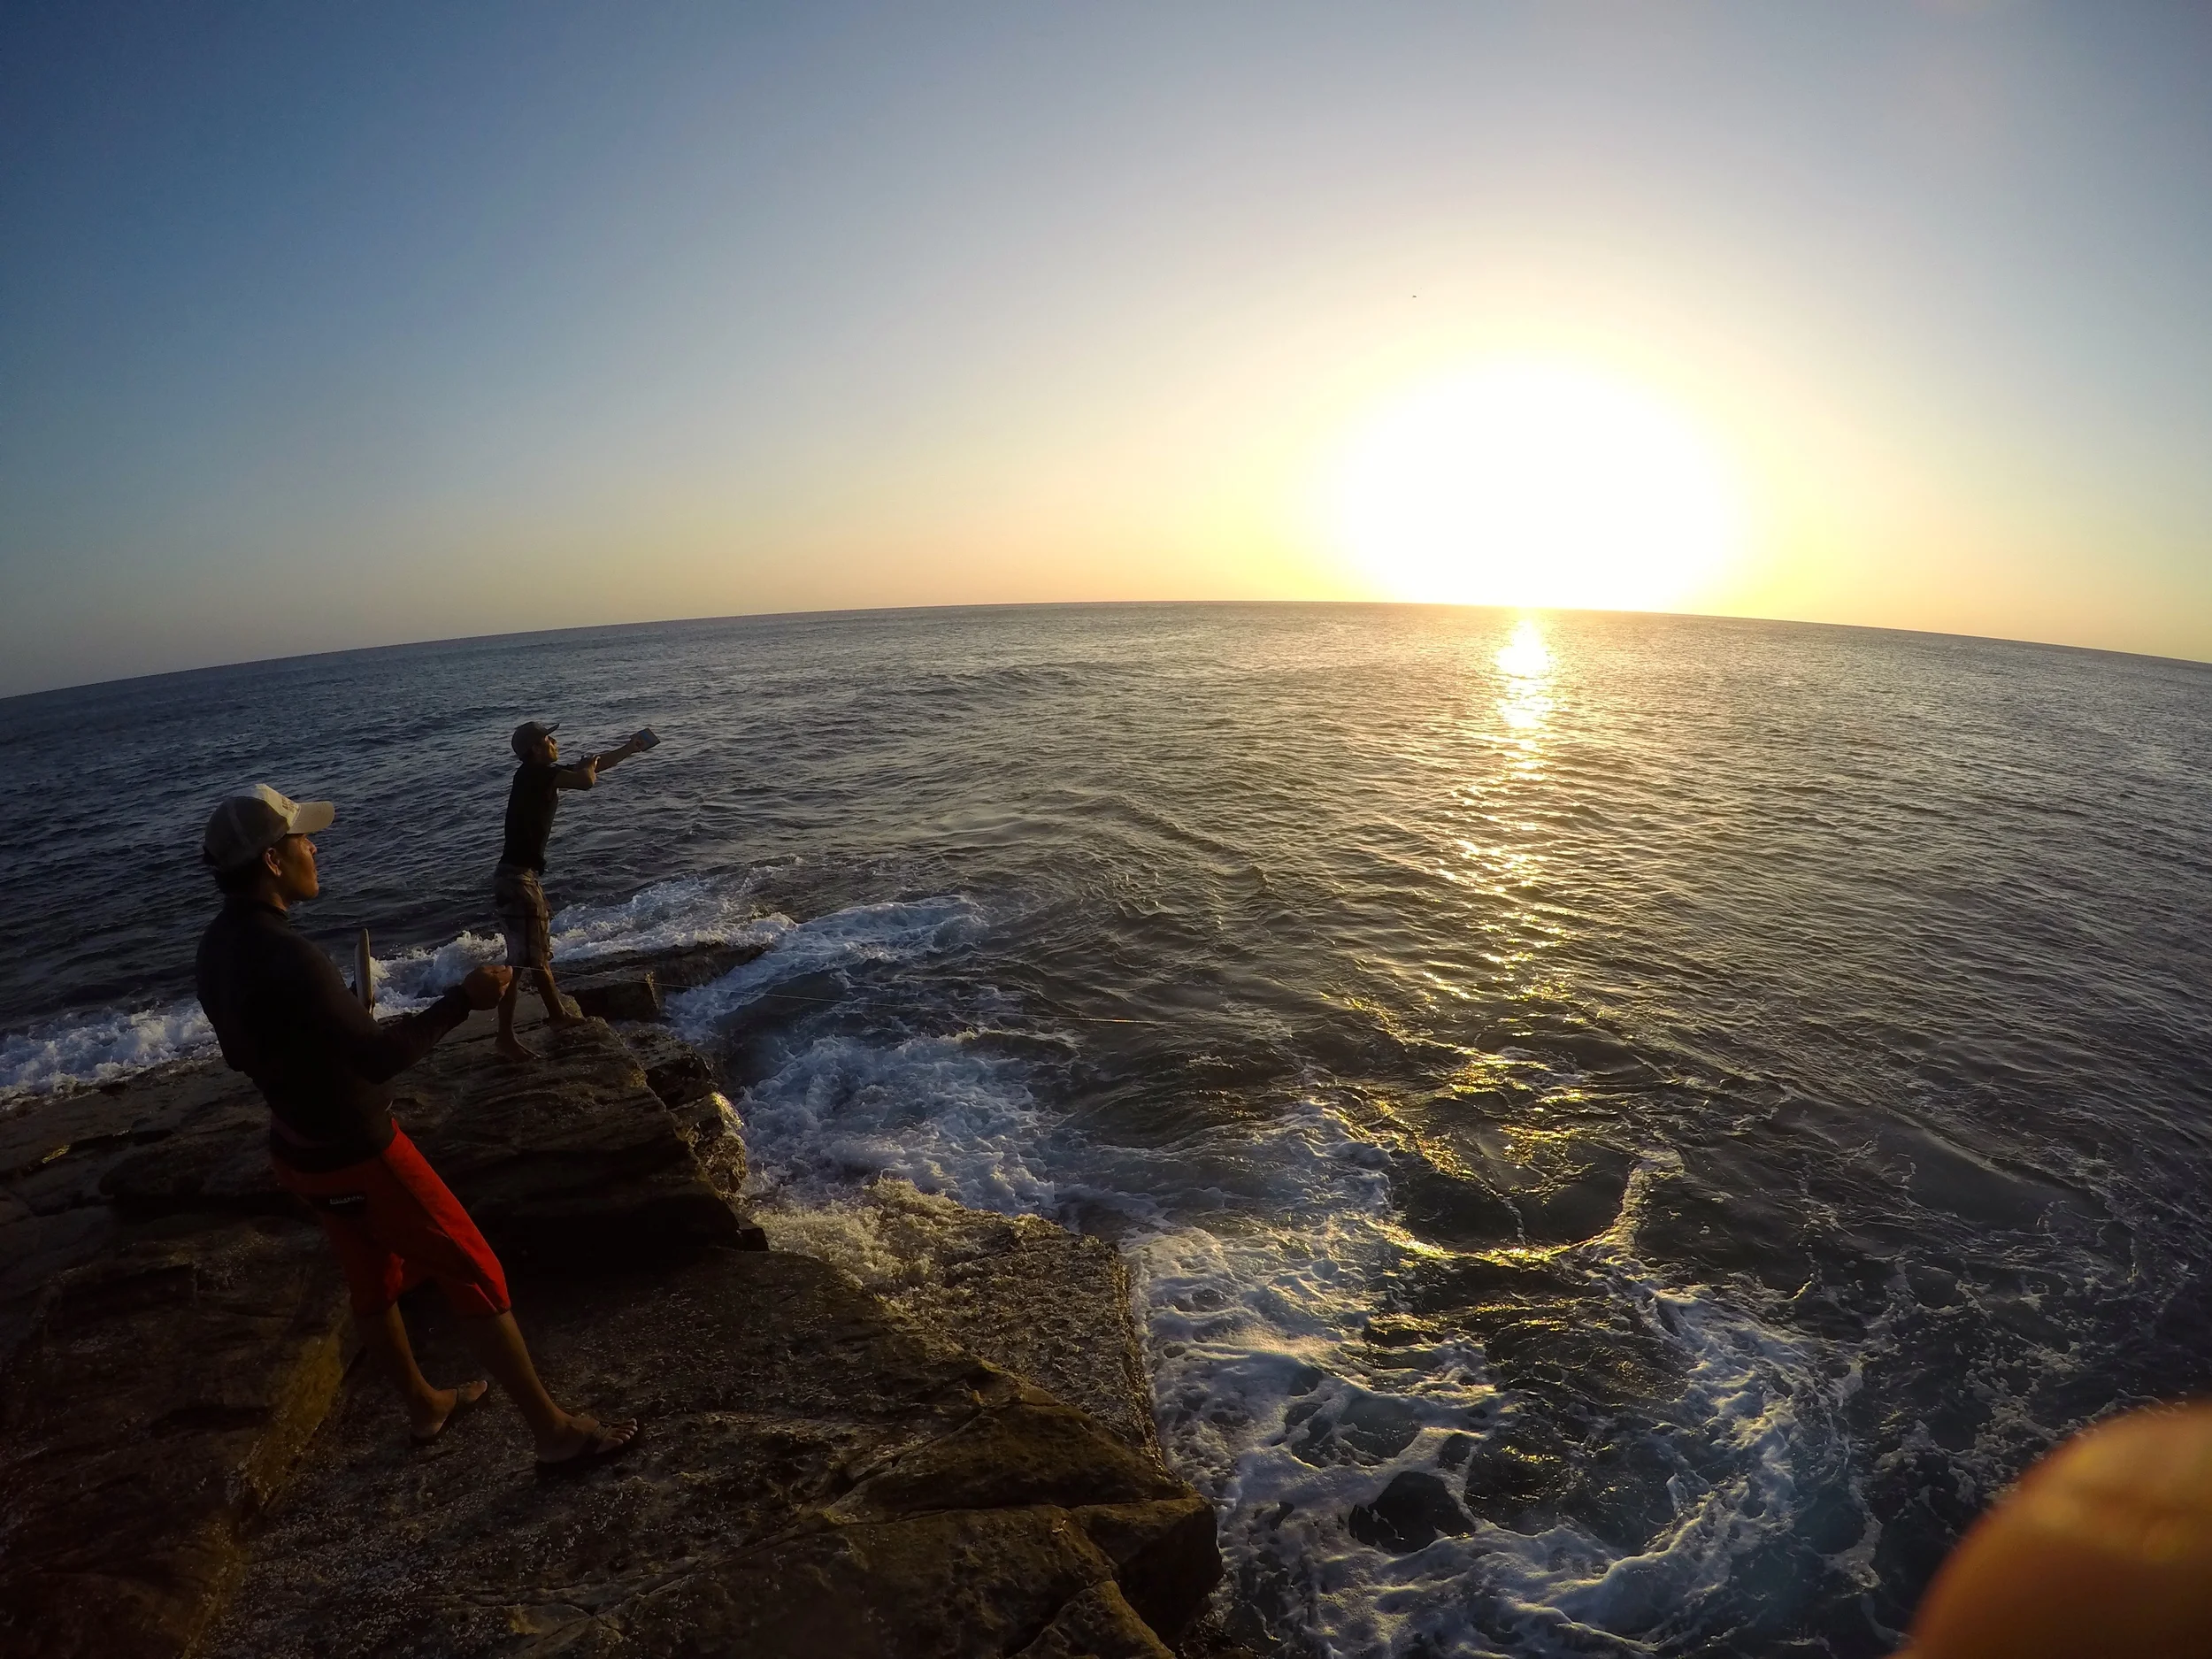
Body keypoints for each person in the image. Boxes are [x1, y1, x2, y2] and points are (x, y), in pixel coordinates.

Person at [194, 784, 639, 1471]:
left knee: (373, 1281)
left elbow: (241, 1052)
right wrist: (464, 999)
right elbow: (380, 1059)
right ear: (273, 862)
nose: (314, 848)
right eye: (302, 839)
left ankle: (424, 1405)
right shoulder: (292, 956)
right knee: (477, 1271)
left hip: (298, 1152)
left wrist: (328, 1031)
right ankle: (555, 1434)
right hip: (361, 1154)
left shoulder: (215, 949)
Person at [492, 720, 655, 1063]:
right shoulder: (536, 775)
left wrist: (628, 749)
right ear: (535, 748)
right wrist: (587, 768)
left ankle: (552, 1017)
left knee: (531, 957)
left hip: (520, 877)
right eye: (548, 738)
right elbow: (586, 781)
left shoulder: (537, 774)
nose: (555, 741)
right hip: (517, 880)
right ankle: (513, 1034)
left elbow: (593, 768)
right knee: (522, 963)